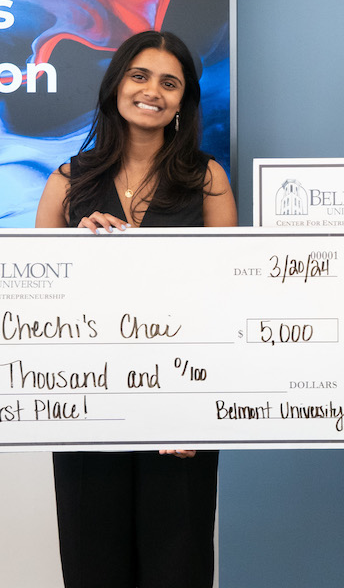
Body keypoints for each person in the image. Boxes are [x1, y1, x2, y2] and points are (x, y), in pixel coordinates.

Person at [35, 29, 237, 588]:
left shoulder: (208, 180)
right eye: (140, 76)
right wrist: (76, 245)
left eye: (170, 83)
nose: (153, 91)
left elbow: (230, 299)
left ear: (183, 101)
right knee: (92, 562)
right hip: (85, 406)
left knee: (179, 563)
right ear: (117, 85)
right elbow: (34, 303)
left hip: (180, 407)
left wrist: (200, 407)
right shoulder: (67, 183)